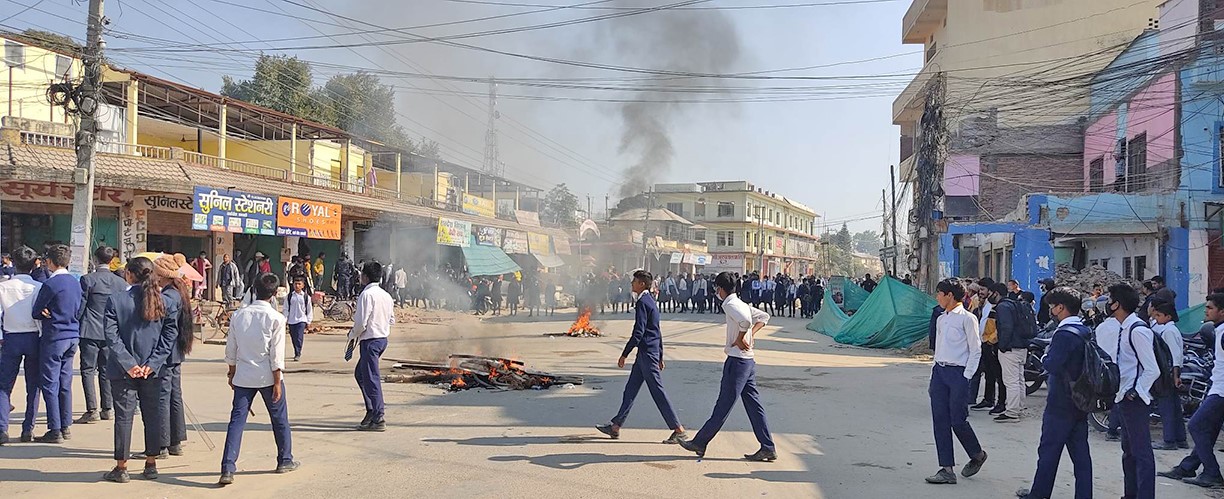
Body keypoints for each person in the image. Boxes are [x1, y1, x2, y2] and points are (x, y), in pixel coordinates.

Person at [678, 272, 775, 462]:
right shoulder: (741, 303)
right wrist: (751, 336)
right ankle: (767, 447)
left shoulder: (730, 304)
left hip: (737, 361)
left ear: (720, 289)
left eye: (717, 289)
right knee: (754, 406)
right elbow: (764, 316)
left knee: (723, 405)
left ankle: (700, 442)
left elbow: (745, 322)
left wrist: (740, 338)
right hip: (748, 361)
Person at [102, 257, 181, 483]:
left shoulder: (116, 300)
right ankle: (151, 464)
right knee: (152, 415)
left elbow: (112, 337)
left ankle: (122, 467)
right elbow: (169, 337)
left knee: (124, 418)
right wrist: (152, 363)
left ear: (129, 274)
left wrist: (129, 364)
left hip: (123, 370)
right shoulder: (163, 301)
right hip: (153, 370)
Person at [219, 272, 298, 486]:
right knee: (279, 419)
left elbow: (231, 349)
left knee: (236, 421)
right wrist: (278, 382)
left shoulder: (239, 315)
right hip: (267, 377)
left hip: (243, 377)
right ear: (273, 295)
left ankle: (227, 468)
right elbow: (276, 355)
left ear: (254, 290)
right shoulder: (276, 318)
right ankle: (285, 460)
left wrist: (231, 372)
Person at [1015, 287, 1093, 499]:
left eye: (1052, 306)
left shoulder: (1064, 334)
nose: (1050, 309)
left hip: (1060, 401)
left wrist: (1044, 358)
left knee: (1049, 451)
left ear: (1061, 307)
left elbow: (1052, 365)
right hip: (1080, 398)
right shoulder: (1085, 330)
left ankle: (1039, 494)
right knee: (1081, 456)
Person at [597, 270, 687, 444]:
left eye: (634, 281)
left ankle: (678, 429)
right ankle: (615, 426)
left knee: (658, 392)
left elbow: (638, 332)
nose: (632, 284)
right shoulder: (650, 301)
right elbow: (657, 331)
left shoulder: (643, 303)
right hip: (647, 354)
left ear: (642, 284)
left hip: (647, 355)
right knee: (630, 390)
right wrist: (660, 354)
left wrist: (624, 354)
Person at [924, 278, 988, 485]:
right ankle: (946, 468)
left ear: (949, 295)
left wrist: (967, 375)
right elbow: (939, 348)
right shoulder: (942, 318)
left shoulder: (967, 319)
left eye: (939, 294)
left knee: (958, 420)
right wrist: (934, 375)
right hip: (940, 373)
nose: (937, 298)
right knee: (940, 421)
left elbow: (975, 349)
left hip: (958, 373)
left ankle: (977, 454)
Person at [1158, 293, 1224, 488]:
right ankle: (1188, 466)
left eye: (1210, 308)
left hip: (1221, 391)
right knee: (1208, 429)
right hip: (1217, 387)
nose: (1206, 311)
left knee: (1195, 426)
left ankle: (1212, 473)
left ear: (1222, 312)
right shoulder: (1217, 330)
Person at [1109, 283, 1159, 499]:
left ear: (1117, 304)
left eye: (1110, 299)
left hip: (1135, 400)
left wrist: (1135, 391)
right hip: (1124, 397)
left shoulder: (1138, 330)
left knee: (1141, 453)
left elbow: (1152, 369)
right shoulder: (1124, 327)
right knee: (1128, 452)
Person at [30, 244, 82, 444]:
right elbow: (80, 307)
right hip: (72, 335)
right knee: (65, 382)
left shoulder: (50, 284)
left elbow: (36, 311)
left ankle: (55, 428)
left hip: (54, 336)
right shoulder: (75, 282)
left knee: (50, 383)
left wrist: (45, 313)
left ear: (49, 262)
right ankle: (66, 424)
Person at [76, 246, 128, 425]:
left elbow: (81, 306)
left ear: (95, 259)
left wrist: (75, 322)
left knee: (88, 370)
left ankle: (92, 410)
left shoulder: (88, 280)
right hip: (110, 332)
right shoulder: (120, 282)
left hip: (89, 330)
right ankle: (107, 408)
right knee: (106, 370)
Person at [0, 246, 43, 445]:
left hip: (10, 337)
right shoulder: (39, 287)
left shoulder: (3, 287)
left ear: (13, 263)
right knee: (33, 386)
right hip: (33, 337)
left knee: (4, 385)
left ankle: (2, 429)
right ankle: (28, 429)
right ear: (35, 264)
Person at [156, 255, 195, 458]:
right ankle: (175, 441)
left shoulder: (168, 297)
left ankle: (162, 443)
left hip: (166, 353)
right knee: (174, 396)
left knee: (163, 397)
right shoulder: (178, 293)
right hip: (175, 353)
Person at [347, 261, 394, 431]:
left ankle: (378, 416)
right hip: (382, 339)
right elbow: (392, 319)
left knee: (371, 378)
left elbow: (361, 323)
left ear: (365, 277)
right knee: (361, 374)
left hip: (370, 341)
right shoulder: (386, 295)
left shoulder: (366, 295)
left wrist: (352, 334)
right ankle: (371, 410)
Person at [1149, 299, 1186, 451]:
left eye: (1158, 316)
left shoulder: (1169, 332)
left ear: (1168, 316)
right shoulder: (1168, 329)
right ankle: (1180, 439)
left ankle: (1169, 440)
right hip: (1170, 373)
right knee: (1174, 407)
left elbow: (1174, 357)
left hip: (1168, 374)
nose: (1156, 319)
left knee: (1167, 408)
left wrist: (1174, 376)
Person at [993, 282, 1028, 423]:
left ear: (995, 293)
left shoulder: (1002, 307)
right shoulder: (1014, 304)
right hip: (1021, 347)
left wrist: (1002, 346)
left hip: (1010, 349)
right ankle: (1019, 408)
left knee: (1011, 381)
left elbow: (1006, 327)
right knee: (1019, 380)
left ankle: (1012, 412)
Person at [970, 282, 1006, 416]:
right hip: (983, 342)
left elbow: (998, 327)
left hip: (991, 343)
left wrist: (990, 340)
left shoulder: (996, 307)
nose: (981, 292)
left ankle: (1001, 402)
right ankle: (988, 399)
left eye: (983, 289)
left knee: (999, 375)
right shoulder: (980, 304)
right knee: (989, 374)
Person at [284, 277, 313, 362]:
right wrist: (285, 319)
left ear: (303, 285)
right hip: (291, 320)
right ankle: (296, 350)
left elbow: (309, 309)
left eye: (299, 284)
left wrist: (308, 321)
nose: (297, 286)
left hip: (301, 320)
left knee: (299, 337)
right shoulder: (289, 296)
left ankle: (298, 353)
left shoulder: (306, 297)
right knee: (293, 337)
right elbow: (286, 309)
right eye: (296, 284)